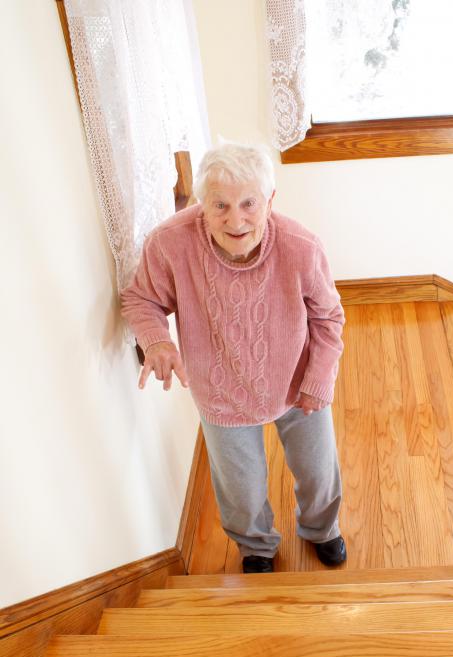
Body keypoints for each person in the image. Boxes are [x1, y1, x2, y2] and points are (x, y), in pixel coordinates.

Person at [120, 142, 346, 573]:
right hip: (220, 388)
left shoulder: (301, 246)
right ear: (202, 204)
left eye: (248, 204)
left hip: (297, 382)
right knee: (240, 488)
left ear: (269, 201)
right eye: (219, 205)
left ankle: (323, 529)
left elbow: (329, 317)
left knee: (318, 470)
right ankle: (256, 546)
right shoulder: (170, 243)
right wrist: (158, 341)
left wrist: (319, 378)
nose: (235, 219)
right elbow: (140, 298)